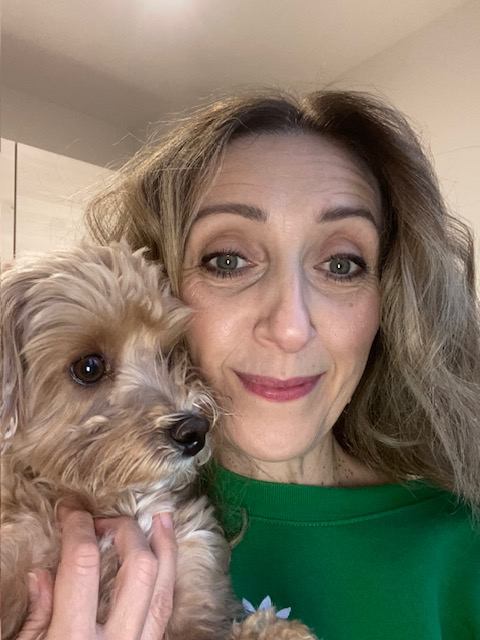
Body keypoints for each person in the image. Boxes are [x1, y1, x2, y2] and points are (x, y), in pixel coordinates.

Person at [17, 89, 480, 639]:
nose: (290, 327)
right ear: (161, 280)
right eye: (228, 260)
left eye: (342, 264)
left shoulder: (464, 551)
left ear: (391, 300)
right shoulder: (35, 524)